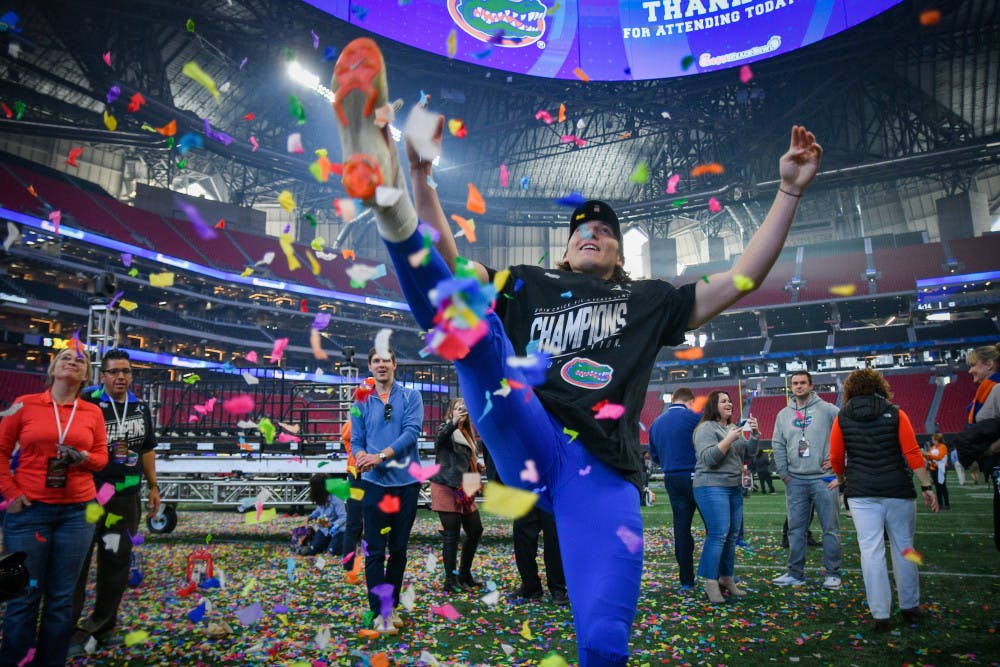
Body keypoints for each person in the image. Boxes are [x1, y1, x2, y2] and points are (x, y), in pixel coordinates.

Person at [332, 36, 821, 665]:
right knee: (473, 325)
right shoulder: (534, 280)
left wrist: (790, 193)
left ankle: (390, 201)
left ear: (619, 252)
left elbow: (738, 280)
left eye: (606, 233)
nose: (593, 234)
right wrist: (423, 182)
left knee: (603, 640)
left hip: (603, 473)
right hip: (530, 429)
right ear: (564, 250)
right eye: (581, 230)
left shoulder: (648, 299)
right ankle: (387, 198)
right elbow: (453, 268)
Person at [0, 347, 110, 666]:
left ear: (86, 375)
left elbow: (102, 458)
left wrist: (85, 458)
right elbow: (1, 450)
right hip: (30, 510)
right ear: (52, 368)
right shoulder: (24, 404)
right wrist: (10, 491)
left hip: (77, 513)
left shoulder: (92, 413)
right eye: (65, 358)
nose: (72, 362)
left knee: (61, 600)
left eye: (79, 361)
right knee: (23, 596)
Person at [829, 368, 939, 632]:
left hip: (862, 493)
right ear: (880, 386)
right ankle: (910, 606)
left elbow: (835, 457)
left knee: (871, 552)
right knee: (905, 548)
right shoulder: (896, 412)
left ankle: (880, 614)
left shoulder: (842, 417)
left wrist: (843, 482)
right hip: (897, 489)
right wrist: (926, 485)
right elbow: (912, 452)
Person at [69, 350, 160, 656]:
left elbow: (147, 448)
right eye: (114, 371)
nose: (121, 376)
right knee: (76, 564)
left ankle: (101, 626)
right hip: (86, 494)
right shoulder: (87, 403)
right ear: (103, 375)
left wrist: (153, 485)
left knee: (116, 565)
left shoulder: (140, 406)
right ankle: (66, 628)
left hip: (125, 496)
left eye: (126, 371)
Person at [350, 347, 423, 634]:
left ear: (395, 364)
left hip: (406, 484)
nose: (381, 365)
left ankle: (389, 607)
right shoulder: (360, 400)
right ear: (369, 367)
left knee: (399, 551)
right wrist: (360, 456)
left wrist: (378, 456)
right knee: (375, 552)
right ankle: (380, 611)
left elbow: (411, 433)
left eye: (386, 360)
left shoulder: (410, 397)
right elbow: (356, 440)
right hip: (376, 485)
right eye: (375, 361)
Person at [771, 371, 842, 590]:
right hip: (796, 479)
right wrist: (784, 473)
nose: (799, 386)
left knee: (830, 528)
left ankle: (832, 573)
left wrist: (838, 463)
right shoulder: (783, 414)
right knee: (795, 529)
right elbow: (778, 443)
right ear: (790, 387)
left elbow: (846, 436)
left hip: (824, 478)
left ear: (811, 386)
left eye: (803, 383)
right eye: (795, 383)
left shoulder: (830, 410)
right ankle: (795, 573)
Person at [692, 390, 759, 603]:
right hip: (711, 486)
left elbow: (749, 453)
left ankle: (726, 577)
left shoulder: (731, 427)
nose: (729, 403)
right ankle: (710, 582)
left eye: (730, 400)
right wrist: (729, 439)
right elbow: (709, 458)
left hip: (733, 487)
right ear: (714, 405)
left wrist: (755, 436)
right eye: (723, 401)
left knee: (731, 536)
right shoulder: (705, 428)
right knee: (718, 533)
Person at [648, 387, 702, 591]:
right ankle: (719, 576)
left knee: (681, 529)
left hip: (671, 476)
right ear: (690, 401)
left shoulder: (656, 423)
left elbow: (654, 455)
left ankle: (686, 580)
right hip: (696, 474)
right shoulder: (694, 417)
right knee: (713, 528)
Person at [430, 397, 485, 592]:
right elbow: (438, 442)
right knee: (451, 533)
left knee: (476, 529)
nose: (462, 408)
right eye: (457, 406)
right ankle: (450, 580)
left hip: (466, 485)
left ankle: (464, 573)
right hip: (447, 484)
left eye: (465, 405)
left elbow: (466, 457)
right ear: (451, 411)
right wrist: (453, 422)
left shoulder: (467, 431)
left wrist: (477, 465)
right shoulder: (447, 428)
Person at [964, 343, 1000, 549]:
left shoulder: (997, 389)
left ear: (989, 364)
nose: (970, 370)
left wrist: (988, 449)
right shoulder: (989, 390)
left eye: (974, 365)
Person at [509, 506, 569, 606]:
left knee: (554, 538)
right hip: (528, 493)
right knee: (522, 536)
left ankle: (558, 589)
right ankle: (530, 586)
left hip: (552, 494)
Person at [295, 474, 347, 556]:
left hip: (339, 531)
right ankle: (316, 541)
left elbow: (344, 517)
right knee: (312, 551)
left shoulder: (336, 498)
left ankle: (336, 544)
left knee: (332, 552)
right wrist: (309, 517)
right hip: (324, 530)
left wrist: (333, 525)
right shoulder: (321, 497)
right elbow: (318, 510)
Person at [339, 418, 364, 573]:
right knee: (354, 523)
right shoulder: (351, 424)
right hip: (358, 476)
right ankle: (348, 565)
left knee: (374, 522)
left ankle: (372, 563)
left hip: (369, 475)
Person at [923, 434, 950, 510]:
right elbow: (930, 458)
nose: (932, 441)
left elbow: (939, 457)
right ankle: (940, 504)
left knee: (943, 486)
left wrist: (928, 455)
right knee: (937, 487)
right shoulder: (932, 447)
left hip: (941, 469)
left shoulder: (943, 447)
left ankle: (947, 504)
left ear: (937, 440)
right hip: (933, 469)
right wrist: (925, 455)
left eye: (934, 440)